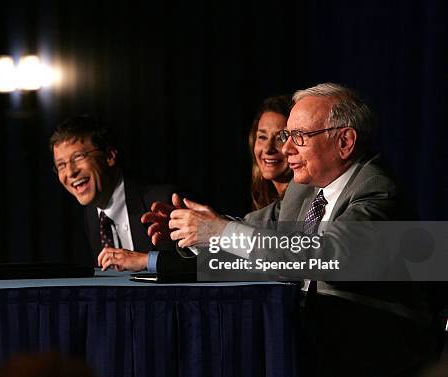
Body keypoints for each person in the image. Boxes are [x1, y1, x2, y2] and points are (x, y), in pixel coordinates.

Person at [139, 83, 439, 376]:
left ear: (345, 142)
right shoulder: (304, 189)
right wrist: (191, 230)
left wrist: (218, 231)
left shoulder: (379, 190)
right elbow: (256, 232)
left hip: (372, 351)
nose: (286, 148)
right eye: (287, 135)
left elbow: (328, 256)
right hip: (308, 344)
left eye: (299, 136)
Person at [96, 95, 293, 272]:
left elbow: (284, 257)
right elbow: (246, 248)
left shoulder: (307, 194)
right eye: (262, 137)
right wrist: (192, 230)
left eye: (280, 137)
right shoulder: (270, 209)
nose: (268, 148)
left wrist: (215, 229)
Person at [50, 115, 175, 265]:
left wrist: (147, 261)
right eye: (61, 165)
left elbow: (209, 266)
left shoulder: (164, 199)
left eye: (78, 157)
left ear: (109, 156)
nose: (70, 172)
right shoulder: (91, 215)